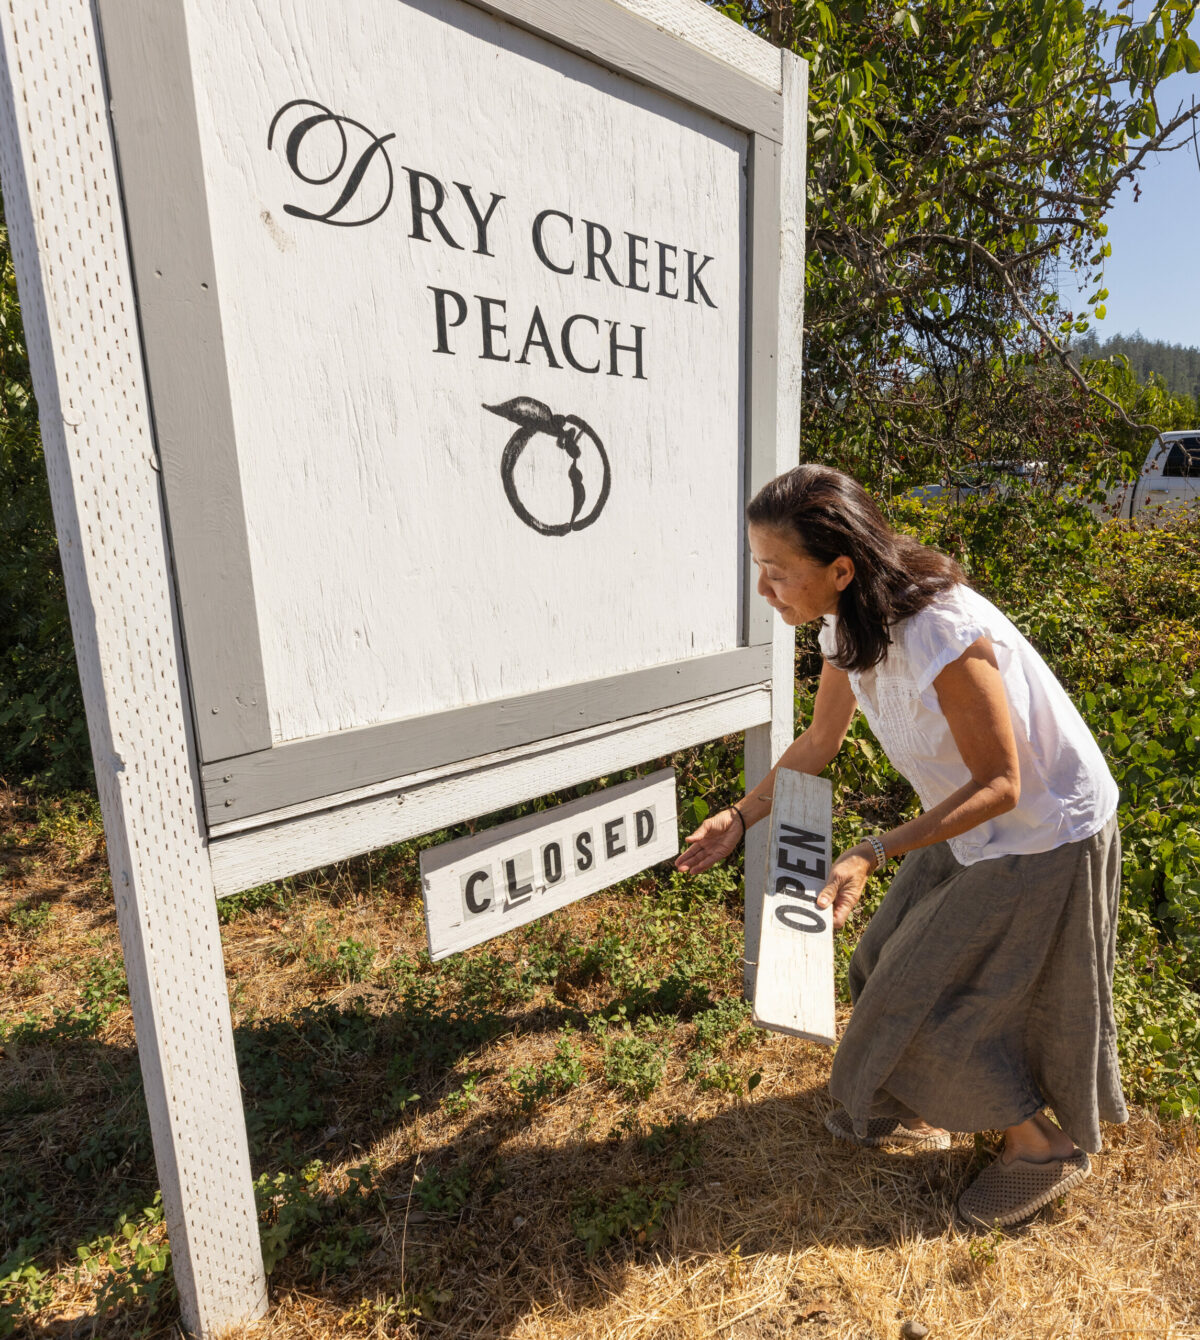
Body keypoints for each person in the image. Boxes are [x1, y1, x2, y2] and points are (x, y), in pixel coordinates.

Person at [674, 464, 1127, 1229]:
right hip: (967, 821)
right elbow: (820, 741)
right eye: (759, 569)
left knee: (929, 1004)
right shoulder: (847, 622)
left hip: (1044, 833)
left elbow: (1002, 785)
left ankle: (1042, 1149)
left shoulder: (940, 632)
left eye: (777, 573)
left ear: (840, 568)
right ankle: (932, 1101)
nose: (764, 591)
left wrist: (872, 851)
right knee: (878, 960)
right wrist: (739, 817)